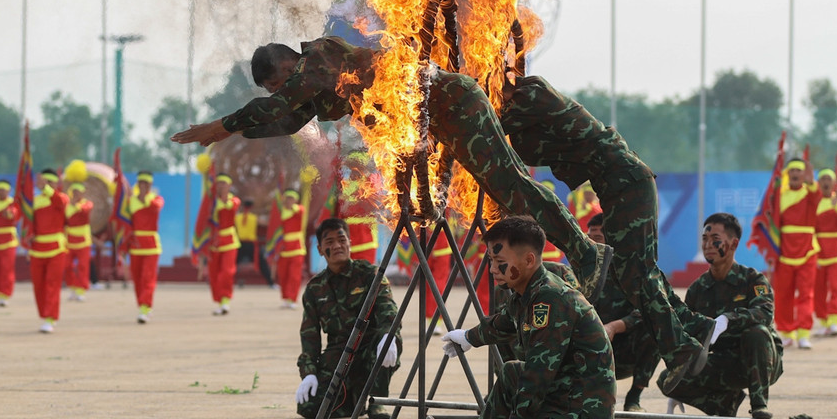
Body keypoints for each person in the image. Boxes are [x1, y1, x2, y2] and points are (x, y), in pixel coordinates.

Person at [168, 38, 613, 301]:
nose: (281, 90)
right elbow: (284, 119)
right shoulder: (312, 87)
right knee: (506, 190)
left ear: (287, 65)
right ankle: (582, 251)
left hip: (449, 101)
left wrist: (220, 125)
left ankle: (585, 250)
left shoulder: (319, 57)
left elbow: (280, 104)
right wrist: (233, 133)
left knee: (512, 185)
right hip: (432, 121)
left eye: (277, 82)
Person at [496, 74, 720, 390]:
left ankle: (681, 349)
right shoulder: (534, 104)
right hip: (620, 188)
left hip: (626, 186)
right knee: (636, 273)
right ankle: (694, 327)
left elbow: (499, 122)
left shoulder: (533, 95)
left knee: (635, 276)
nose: (497, 97)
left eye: (496, 89)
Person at [440, 216, 616, 419]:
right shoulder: (526, 293)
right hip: (561, 391)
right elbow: (504, 323)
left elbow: (538, 374)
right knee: (510, 374)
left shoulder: (550, 300)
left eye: (500, 263)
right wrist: (468, 338)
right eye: (490, 261)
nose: (493, 269)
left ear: (529, 260)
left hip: (579, 408)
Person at [660, 214, 783, 419]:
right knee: (667, 380)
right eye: (704, 239)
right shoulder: (698, 289)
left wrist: (728, 319)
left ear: (733, 243)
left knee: (757, 333)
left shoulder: (752, 280)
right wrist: (679, 378)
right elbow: (687, 332)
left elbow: (765, 313)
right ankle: (726, 404)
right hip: (723, 362)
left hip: (761, 361)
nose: (708, 245)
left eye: (714, 239)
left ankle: (759, 403)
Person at [295, 218, 401, 419]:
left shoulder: (370, 274)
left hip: (371, 347)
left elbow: (388, 310)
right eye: (330, 242)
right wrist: (308, 373)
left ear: (349, 242)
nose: (336, 246)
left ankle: (377, 400)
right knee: (309, 407)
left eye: (341, 239)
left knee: (387, 339)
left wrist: (389, 335)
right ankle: (355, 400)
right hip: (339, 355)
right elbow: (309, 336)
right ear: (320, 249)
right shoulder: (315, 288)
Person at [589, 213, 659, 412]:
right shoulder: (582, 272)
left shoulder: (630, 271)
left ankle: (633, 398)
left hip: (623, 350)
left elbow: (644, 309)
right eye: (589, 239)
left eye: (598, 239)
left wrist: (614, 327)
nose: (592, 245)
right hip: (589, 347)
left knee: (653, 327)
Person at [773, 160, 821, 348]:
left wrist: (811, 182)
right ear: (787, 174)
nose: (795, 173)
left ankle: (803, 333)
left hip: (808, 250)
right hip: (784, 251)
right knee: (783, 294)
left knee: (806, 293)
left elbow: (818, 195)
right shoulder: (779, 195)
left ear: (804, 175)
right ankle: (786, 332)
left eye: (798, 171)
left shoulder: (810, 194)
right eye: (792, 170)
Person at [23, 169, 69, 334]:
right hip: (37, 250)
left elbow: (60, 203)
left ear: (56, 184)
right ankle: (44, 315)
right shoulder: (35, 201)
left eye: (50, 182)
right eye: (44, 182)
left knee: (52, 284)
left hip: (56, 248)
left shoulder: (61, 198)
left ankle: (50, 318)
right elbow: (28, 223)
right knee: (39, 286)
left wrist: (48, 189)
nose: (47, 185)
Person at [812, 170, 837, 337]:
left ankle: (835, 321)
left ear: (834, 182)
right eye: (823, 179)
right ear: (818, 182)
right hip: (817, 249)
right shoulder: (812, 201)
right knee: (818, 289)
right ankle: (822, 321)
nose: (826, 182)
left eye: (829, 179)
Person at [195, 172, 242, 315]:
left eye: (224, 183)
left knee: (227, 272)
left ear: (229, 185)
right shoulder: (210, 204)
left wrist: (217, 200)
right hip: (213, 243)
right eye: (219, 183)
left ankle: (226, 300)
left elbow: (228, 207)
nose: (221, 186)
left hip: (229, 242)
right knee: (214, 274)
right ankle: (220, 301)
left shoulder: (234, 201)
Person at [123, 172, 164, 323]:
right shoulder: (130, 202)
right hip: (136, 245)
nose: (143, 186)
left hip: (152, 246)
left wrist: (145, 197)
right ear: (138, 184)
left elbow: (155, 208)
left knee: (148, 278)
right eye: (141, 183)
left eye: (147, 184)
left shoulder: (156, 199)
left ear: (150, 186)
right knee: (138, 278)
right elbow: (126, 224)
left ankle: (145, 307)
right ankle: (142, 305)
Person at [0, 179, 20, 306]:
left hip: (9, 241)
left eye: (3, 190)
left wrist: (8, 212)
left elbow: (12, 215)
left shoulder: (12, 204)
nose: (1, 192)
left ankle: (5, 294)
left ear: (8, 191)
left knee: (7, 269)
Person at [274, 188, 308, 309]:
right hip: (284, 248)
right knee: (283, 275)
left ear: (295, 200)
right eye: (287, 198)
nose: (289, 201)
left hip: (297, 248)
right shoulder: (281, 212)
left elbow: (299, 210)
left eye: (291, 198)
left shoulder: (299, 209)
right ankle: (285, 298)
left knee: (294, 275)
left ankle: (292, 298)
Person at [63, 182, 94, 302]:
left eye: (78, 191)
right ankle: (72, 288)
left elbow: (84, 211)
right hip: (69, 240)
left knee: (82, 266)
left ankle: (81, 290)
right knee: (67, 266)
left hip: (83, 241)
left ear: (82, 193)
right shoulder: (67, 206)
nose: (76, 194)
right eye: (74, 191)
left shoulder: (87, 204)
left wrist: (75, 204)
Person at [235, 198, 274, 286]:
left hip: (240, 244)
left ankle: (222, 282)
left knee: (231, 263)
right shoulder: (254, 218)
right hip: (250, 244)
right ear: (251, 207)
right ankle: (270, 283)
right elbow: (267, 224)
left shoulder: (237, 218)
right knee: (262, 263)